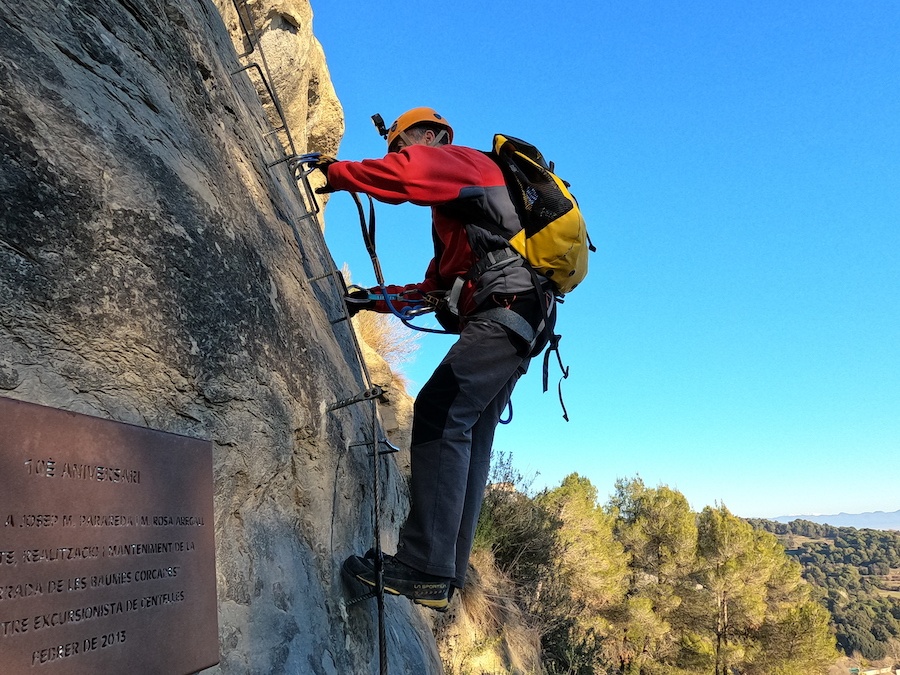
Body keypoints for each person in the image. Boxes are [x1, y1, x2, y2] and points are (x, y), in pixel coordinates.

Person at [315, 107, 556, 611]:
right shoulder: (466, 221)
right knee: (470, 436)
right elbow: (433, 291)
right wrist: (371, 299)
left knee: (439, 412)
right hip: (520, 323)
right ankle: (445, 570)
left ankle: (425, 564)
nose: (401, 155)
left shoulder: (464, 163)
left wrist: (338, 173)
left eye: (402, 144)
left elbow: (408, 174)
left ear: (429, 135)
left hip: (504, 313)